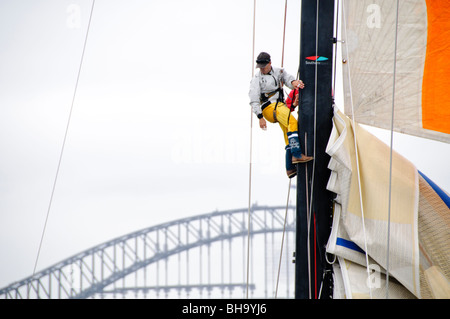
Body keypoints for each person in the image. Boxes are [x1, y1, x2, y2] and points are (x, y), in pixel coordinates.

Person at [249, 52, 313, 178]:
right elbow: (253, 99)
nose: (261, 68)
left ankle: (290, 168)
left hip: (279, 106)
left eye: (264, 66)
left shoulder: (279, 71)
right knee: (292, 122)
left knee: (288, 131)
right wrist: (260, 117)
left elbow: (288, 79)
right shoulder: (256, 79)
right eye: (260, 66)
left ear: (270, 63)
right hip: (269, 108)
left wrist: (294, 82)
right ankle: (297, 154)